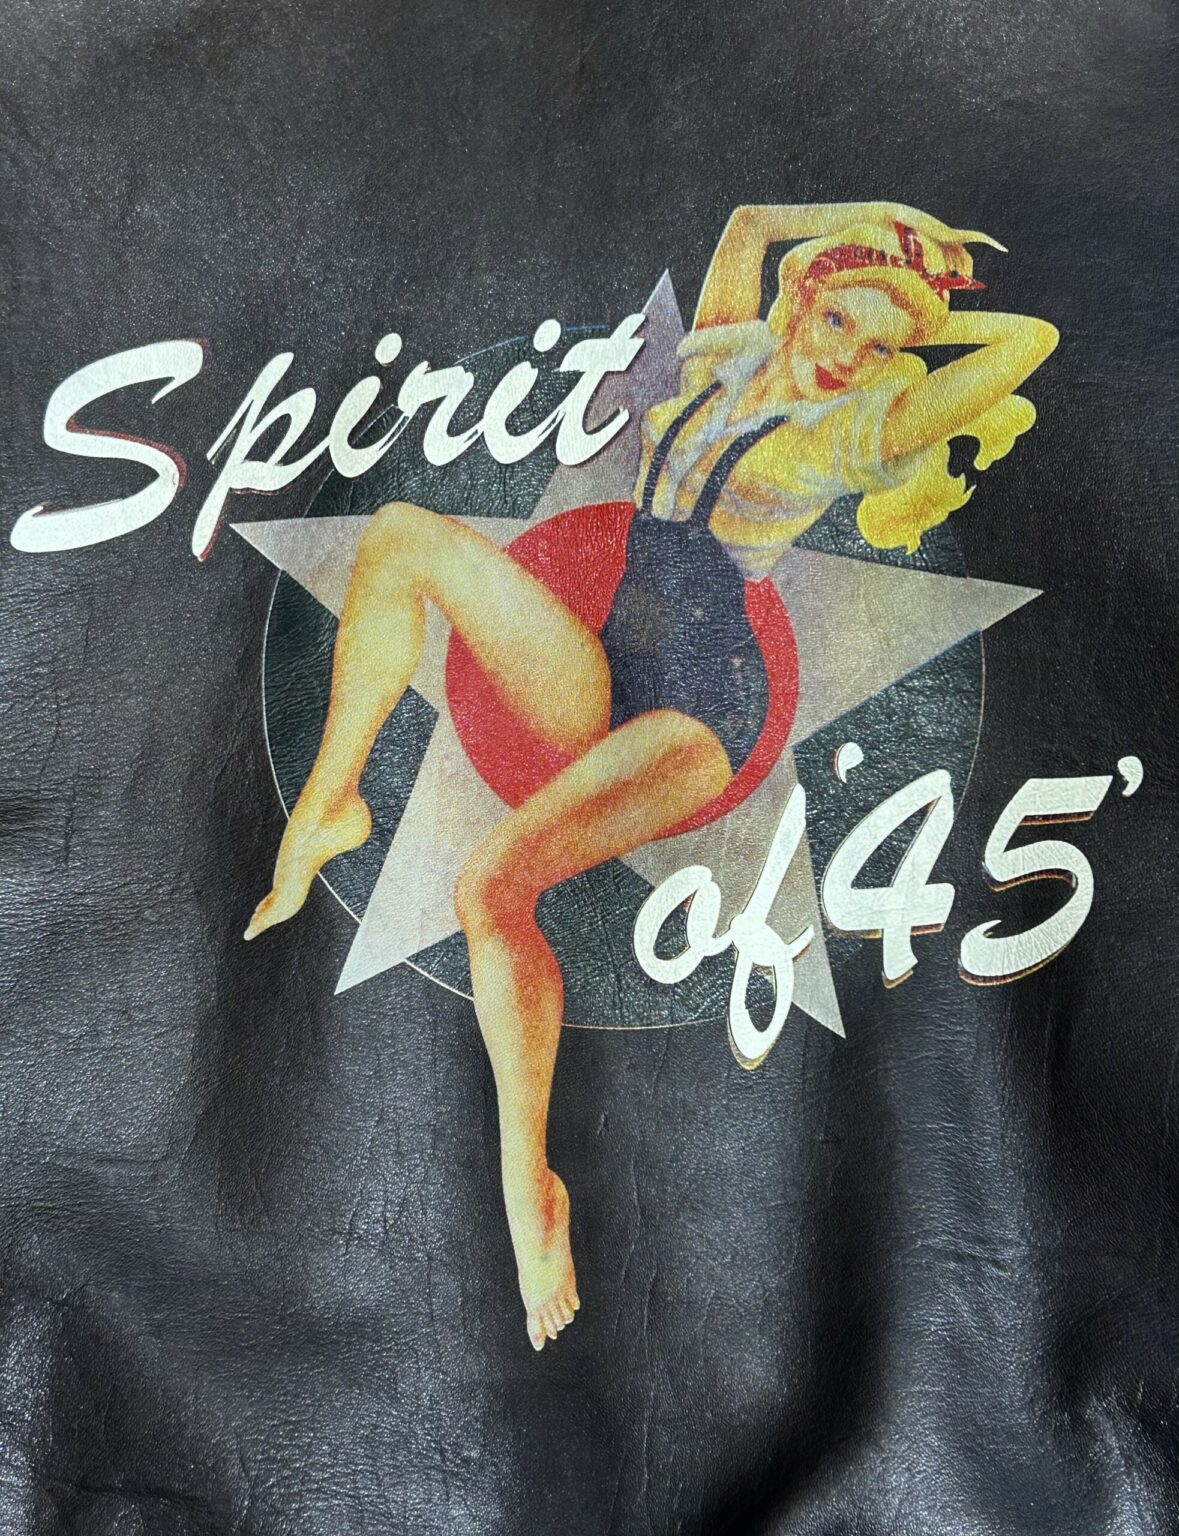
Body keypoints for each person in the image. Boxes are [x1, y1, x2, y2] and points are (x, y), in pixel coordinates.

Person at [243, 201, 1059, 1351]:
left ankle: (532, 1190)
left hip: (699, 707)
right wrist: (867, 225)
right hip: (603, 660)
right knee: (400, 537)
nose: (847, 354)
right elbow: (751, 224)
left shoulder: (854, 430)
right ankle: (329, 803)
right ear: (798, 300)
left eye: (880, 346)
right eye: (837, 319)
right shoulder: (727, 356)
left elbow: (1031, 344)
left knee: (491, 887)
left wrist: (923, 297)